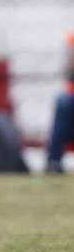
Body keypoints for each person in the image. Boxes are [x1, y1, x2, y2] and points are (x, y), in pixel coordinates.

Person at [46, 33, 74, 174]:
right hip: (72, 99)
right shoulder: (72, 40)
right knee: (62, 102)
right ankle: (54, 161)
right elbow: (68, 74)